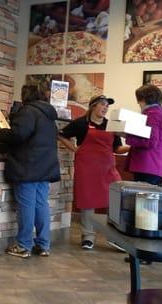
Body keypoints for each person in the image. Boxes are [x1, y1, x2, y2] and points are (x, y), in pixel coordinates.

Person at [58, 95, 129, 250]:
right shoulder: (80, 124)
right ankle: (87, 236)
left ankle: (114, 238)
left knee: (116, 200)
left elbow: (117, 149)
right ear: (93, 106)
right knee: (88, 201)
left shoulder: (112, 125)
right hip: (87, 168)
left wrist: (133, 147)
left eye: (107, 106)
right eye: (102, 105)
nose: (105, 108)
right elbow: (61, 135)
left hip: (107, 169)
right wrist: (76, 149)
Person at [0, 85, 60, 258]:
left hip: (28, 166)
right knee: (41, 204)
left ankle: (24, 245)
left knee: (27, 205)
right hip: (45, 166)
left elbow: (18, 135)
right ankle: (43, 245)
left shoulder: (28, 111)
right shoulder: (48, 114)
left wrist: (1, 131)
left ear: (25, 95)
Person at [125, 84, 162, 185]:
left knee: (141, 199)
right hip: (154, 164)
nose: (138, 103)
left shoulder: (151, 114)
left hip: (146, 164)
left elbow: (150, 142)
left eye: (138, 99)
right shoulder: (161, 113)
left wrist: (127, 136)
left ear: (142, 99)